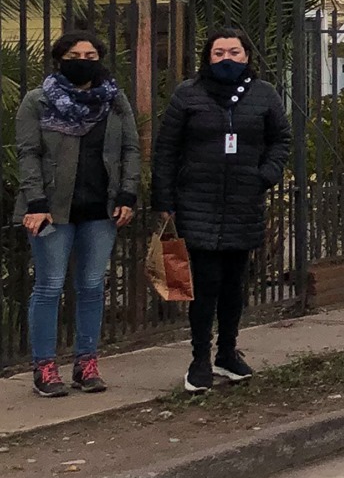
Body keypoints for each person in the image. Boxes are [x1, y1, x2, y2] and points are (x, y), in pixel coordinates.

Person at [150, 28, 292, 394]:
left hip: (244, 203)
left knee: (234, 284)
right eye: (218, 53)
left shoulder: (264, 94)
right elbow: (166, 149)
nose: (226, 59)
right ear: (207, 57)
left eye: (234, 52)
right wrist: (164, 200)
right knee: (204, 284)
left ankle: (227, 352)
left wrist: (266, 175)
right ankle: (199, 358)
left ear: (247, 56)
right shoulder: (188, 94)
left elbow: (281, 139)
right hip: (197, 203)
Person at [13, 31, 140, 398]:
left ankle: (86, 363)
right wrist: (36, 203)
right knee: (49, 286)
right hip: (52, 210)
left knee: (92, 286)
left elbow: (131, 149)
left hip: (101, 209)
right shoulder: (37, 101)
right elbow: (28, 154)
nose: (83, 61)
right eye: (74, 55)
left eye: (90, 55)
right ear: (59, 60)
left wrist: (128, 193)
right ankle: (44, 366)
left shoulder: (114, 101)